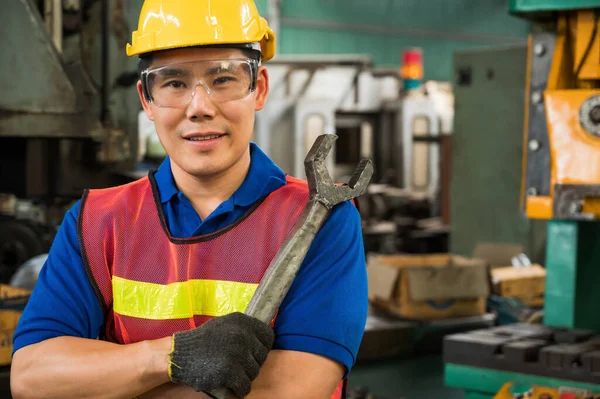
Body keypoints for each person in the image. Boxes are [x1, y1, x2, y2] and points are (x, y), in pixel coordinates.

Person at [10, 1, 368, 398]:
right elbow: (32, 377)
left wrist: (115, 382)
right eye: (174, 83)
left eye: (223, 79)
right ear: (146, 99)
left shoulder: (322, 220)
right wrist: (169, 356)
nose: (199, 107)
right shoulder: (96, 221)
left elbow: (297, 387)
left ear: (259, 88)